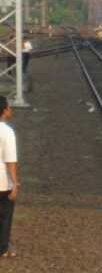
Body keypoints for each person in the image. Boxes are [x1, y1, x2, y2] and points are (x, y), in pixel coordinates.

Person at [0, 96, 17, 258]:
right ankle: (2, 249)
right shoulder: (7, 132)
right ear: (4, 111)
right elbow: (10, 159)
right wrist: (14, 183)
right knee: (4, 216)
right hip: (2, 182)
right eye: (9, 107)